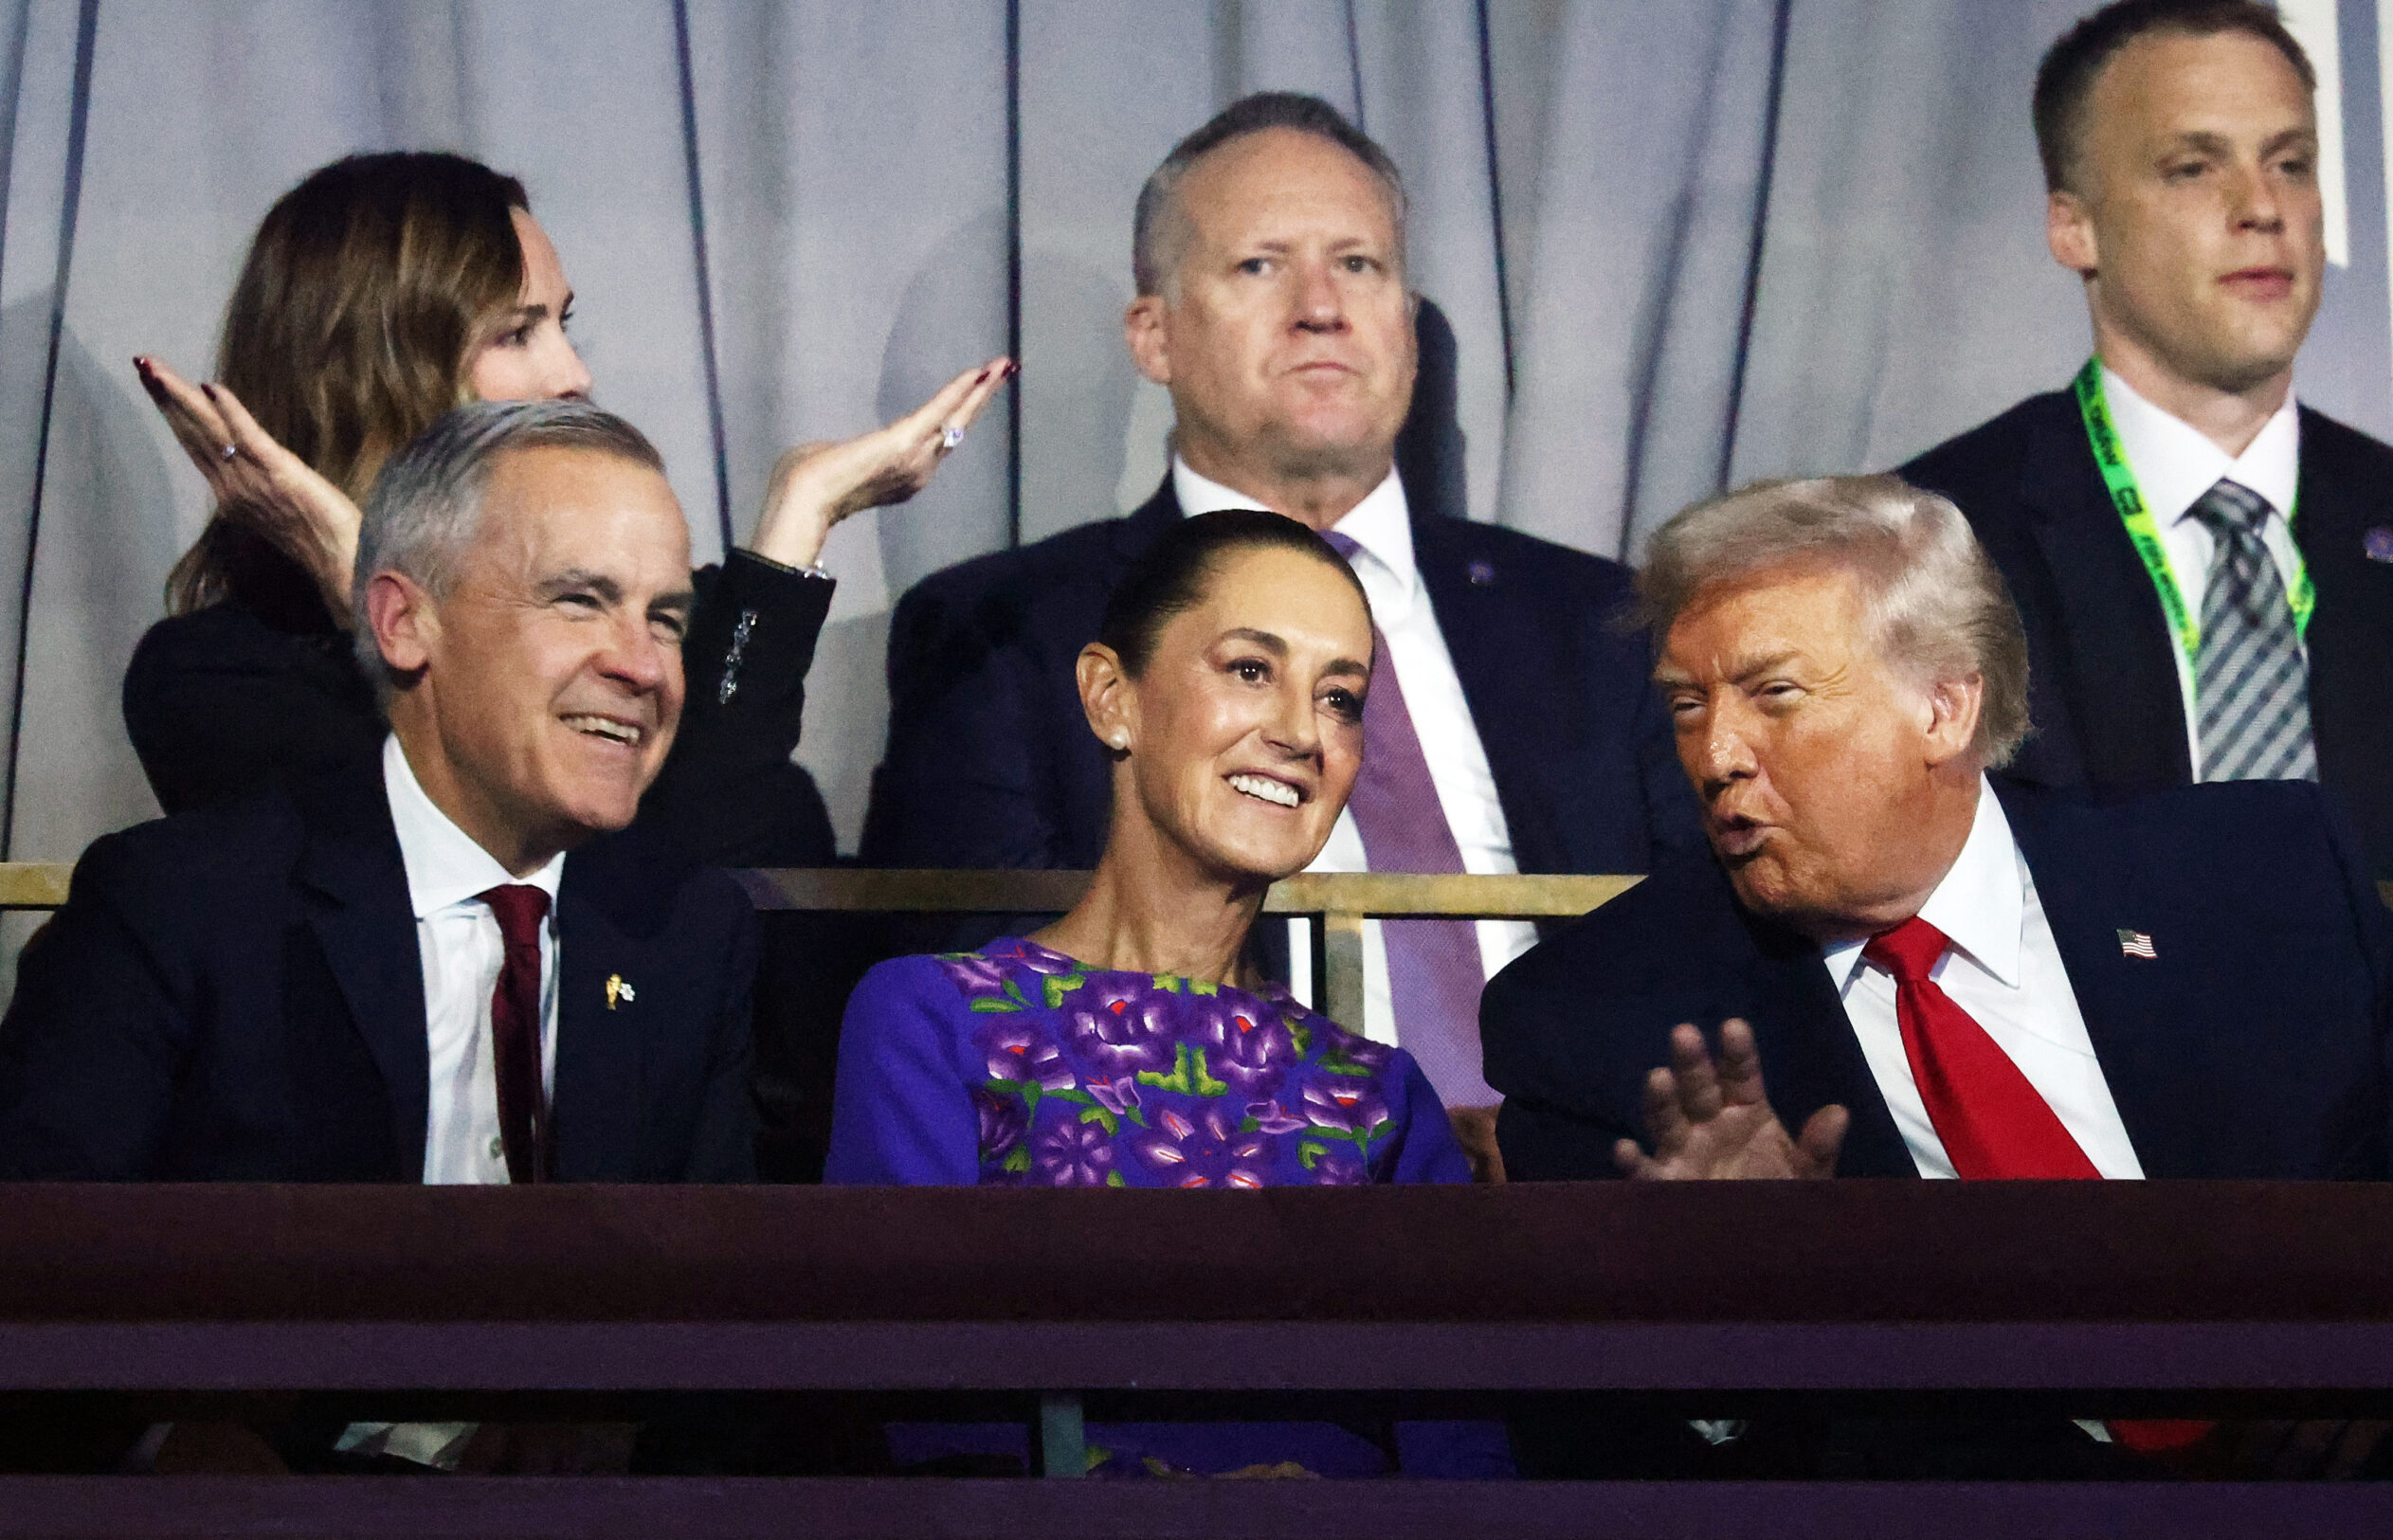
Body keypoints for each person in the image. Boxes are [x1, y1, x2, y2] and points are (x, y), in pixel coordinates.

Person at [1478, 473, 2393, 1477]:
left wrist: (2387, 1346)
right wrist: (1738, 1314)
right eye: (1686, 703)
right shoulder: (1598, 1021)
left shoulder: (2261, 875)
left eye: (1774, 694)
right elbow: (1621, 1445)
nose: (1714, 755)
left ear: (1942, 705)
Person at [865, 93, 1697, 1169]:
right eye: (1261, 265)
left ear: (1406, 321)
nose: (1321, 308)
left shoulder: (1602, 618)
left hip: (1601, 1196)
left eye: (1359, 264)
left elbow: (1709, 947)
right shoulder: (1004, 628)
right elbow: (990, 1005)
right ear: (1153, 333)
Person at [830, 508, 1496, 1477]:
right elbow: (917, 1405)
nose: (1299, 732)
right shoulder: (934, 1023)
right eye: (1250, 669)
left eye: (1339, 697)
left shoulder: (1379, 1096)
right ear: (1112, 697)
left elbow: (1464, 1463)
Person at [124, 151, 1007, 866]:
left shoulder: (661, 628)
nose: (573, 376)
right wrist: (365, 579)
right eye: (516, 333)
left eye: (563, 323)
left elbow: (712, 861)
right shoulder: (215, 679)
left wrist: (798, 514)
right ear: (368, 373)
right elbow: (490, 872)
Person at [0, 400, 759, 1187]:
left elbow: (712, 1263)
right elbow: (44, 1247)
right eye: (580, 601)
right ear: (403, 622)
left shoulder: (689, 933)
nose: (642, 666)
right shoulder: (181, 910)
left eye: (665, 619)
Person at [1899, 0, 2393, 878]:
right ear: (2074, 225)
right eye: (2193, 168)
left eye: (2291, 163)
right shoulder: (1930, 552)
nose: (2262, 207)